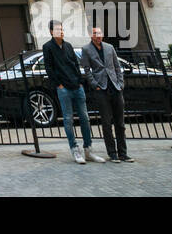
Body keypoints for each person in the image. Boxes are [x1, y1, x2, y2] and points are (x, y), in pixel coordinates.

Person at [42, 21, 103, 163]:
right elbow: (49, 68)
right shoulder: (48, 47)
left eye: (62, 29)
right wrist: (60, 85)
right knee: (68, 119)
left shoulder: (68, 46)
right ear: (51, 32)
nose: (61, 31)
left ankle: (88, 150)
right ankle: (75, 150)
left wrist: (80, 83)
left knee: (85, 118)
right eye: (58, 29)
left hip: (77, 87)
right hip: (63, 89)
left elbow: (76, 65)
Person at [81, 27, 132, 163]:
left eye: (99, 33)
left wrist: (120, 83)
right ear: (91, 36)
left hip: (115, 87)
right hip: (101, 89)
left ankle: (123, 153)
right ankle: (112, 153)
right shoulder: (86, 49)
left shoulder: (109, 47)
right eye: (95, 34)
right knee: (106, 123)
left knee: (120, 123)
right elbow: (86, 69)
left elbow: (117, 66)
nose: (98, 36)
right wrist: (94, 85)